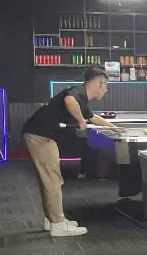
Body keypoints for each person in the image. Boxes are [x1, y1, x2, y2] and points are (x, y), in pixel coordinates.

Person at [22, 66, 122, 236]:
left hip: (39, 134)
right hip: (39, 136)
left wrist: (114, 128)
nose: (106, 90)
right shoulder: (77, 93)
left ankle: (51, 219)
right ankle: (58, 224)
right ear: (100, 83)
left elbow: (93, 117)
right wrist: (80, 120)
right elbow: (69, 101)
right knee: (52, 180)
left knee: (49, 179)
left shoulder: (81, 96)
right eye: (106, 86)